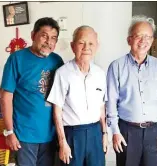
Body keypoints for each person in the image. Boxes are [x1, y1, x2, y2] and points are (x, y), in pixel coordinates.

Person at [106, 15, 157, 166]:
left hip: (155, 132)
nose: (143, 40)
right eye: (138, 36)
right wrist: (115, 131)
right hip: (127, 131)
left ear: (152, 40)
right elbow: (111, 102)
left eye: (148, 36)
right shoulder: (116, 66)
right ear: (129, 40)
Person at [0, 17, 64, 166]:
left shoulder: (57, 61)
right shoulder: (16, 59)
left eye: (53, 38)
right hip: (24, 135)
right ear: (33, 35)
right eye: (44, 36)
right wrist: (9, 132)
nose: (49, 42)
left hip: (50, 134)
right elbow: (5, 98)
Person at [47, 25, 108, 166]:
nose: (86, 47)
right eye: (81, 42)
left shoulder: (100, 73)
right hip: (72, 134)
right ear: (73, 46)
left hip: (95, 133)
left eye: (91, 43)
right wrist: (62, 142)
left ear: (97, 46)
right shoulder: (63, 73)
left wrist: (105, 134)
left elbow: (101, 107)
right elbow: (57, 111)